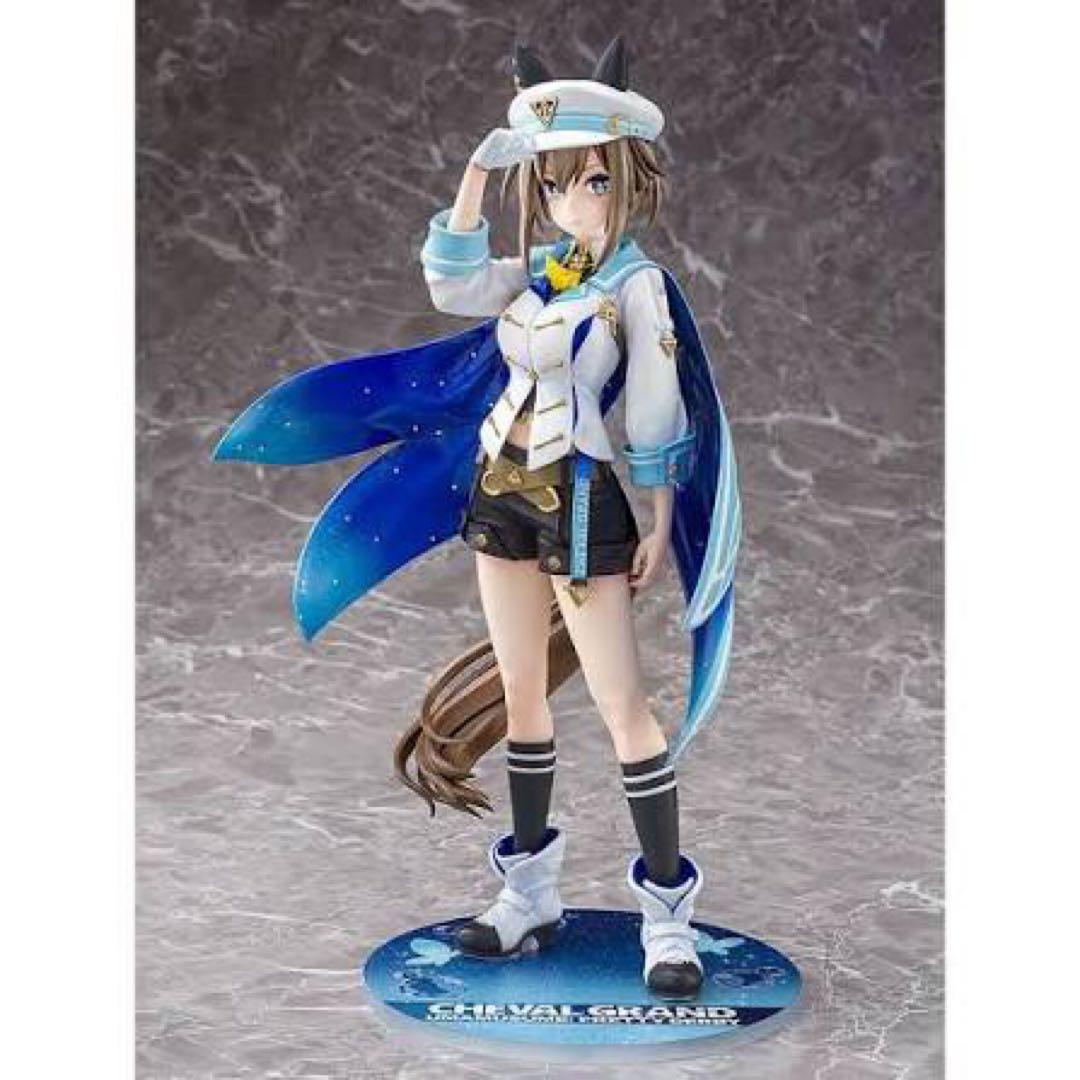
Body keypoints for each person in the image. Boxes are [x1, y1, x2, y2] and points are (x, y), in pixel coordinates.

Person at [214, 36, 741, 1002]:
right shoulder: (541, 273)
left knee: (624, 710)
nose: (570, 201)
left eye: (590, 181)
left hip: (583, 502)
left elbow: (656, 410)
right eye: (554, 183)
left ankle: (668, 917)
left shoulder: (635, 287)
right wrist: (474, 176)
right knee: (522, 694)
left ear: (627, 182)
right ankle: (529, 892)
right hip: (500, 495)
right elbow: (452, 283)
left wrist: (661, 516)